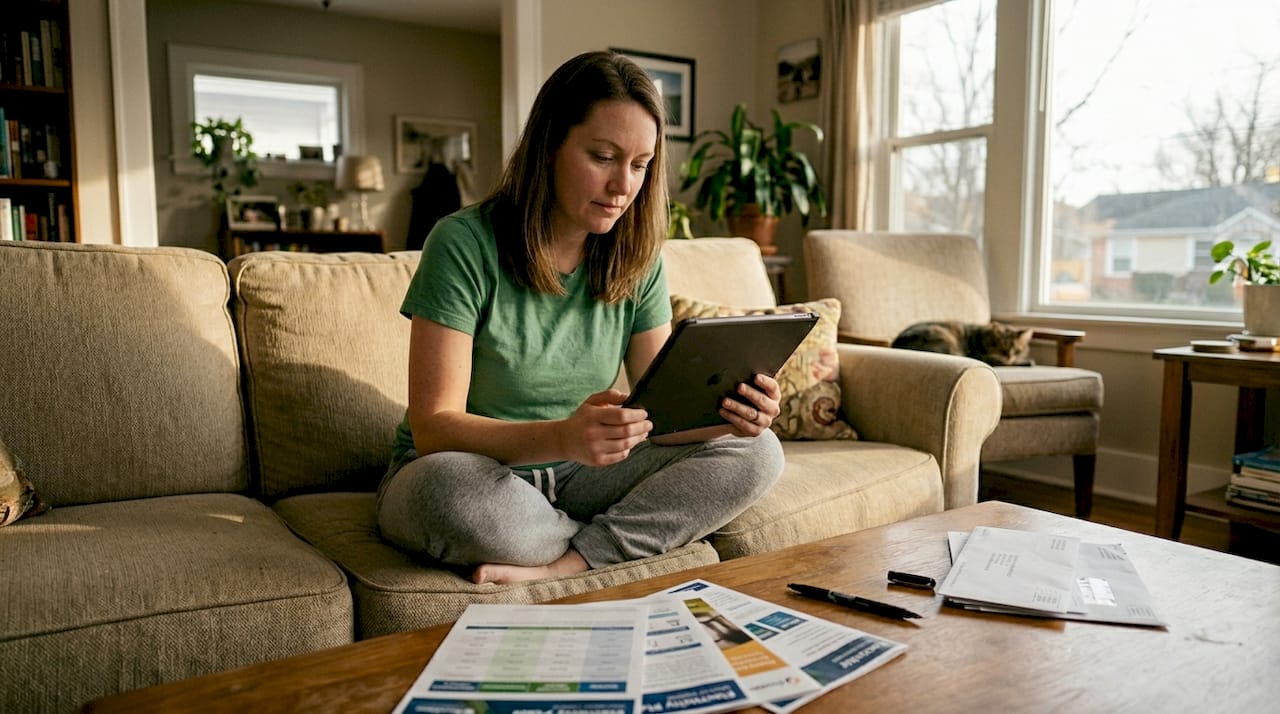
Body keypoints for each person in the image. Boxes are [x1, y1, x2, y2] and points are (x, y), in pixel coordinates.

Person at [377, 50, 784, 586]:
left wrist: (736, 414)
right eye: (602, 156)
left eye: (639, 166)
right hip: (471, 469)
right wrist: (564, 438)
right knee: (449, 498)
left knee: (758, 453)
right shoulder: (463, 242)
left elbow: (659, 414)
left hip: (581, 474)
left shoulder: (639, 257)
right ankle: (606, 541)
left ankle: (567, 563)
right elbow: (434, 429)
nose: (623, 187)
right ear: (549, 147)